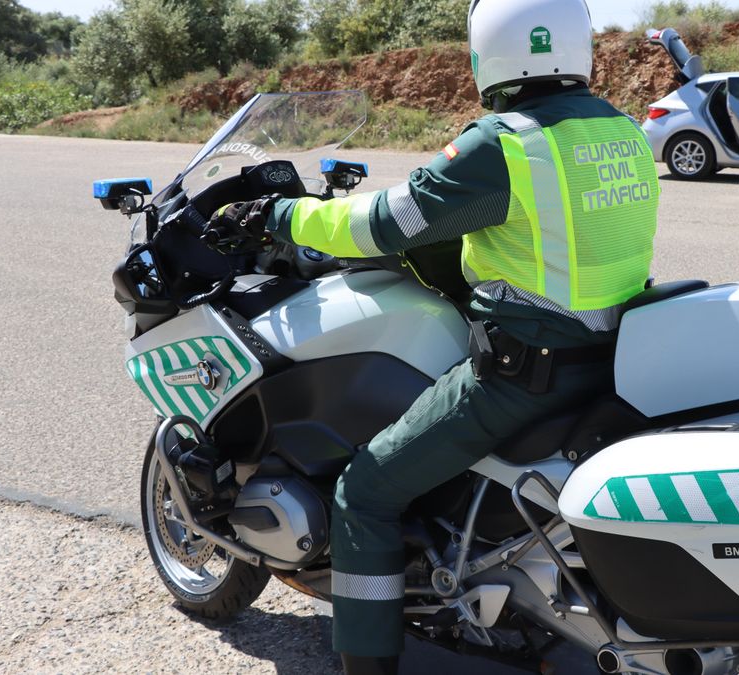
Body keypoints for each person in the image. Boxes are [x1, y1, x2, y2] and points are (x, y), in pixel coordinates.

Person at [204, 1, 660, 673]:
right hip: (616, 357)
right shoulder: (621, 130)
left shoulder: (503, 143)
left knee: (364, 492)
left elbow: (385, 226)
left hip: (522, 375)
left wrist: (279, 214)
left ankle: (367, 661)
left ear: (489, 52)